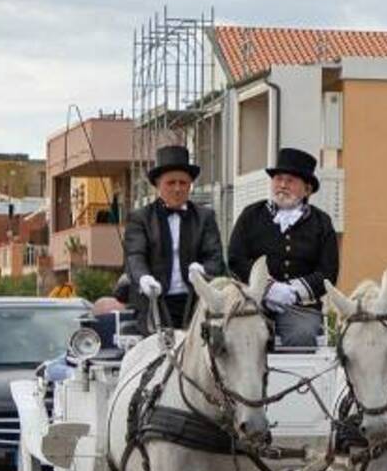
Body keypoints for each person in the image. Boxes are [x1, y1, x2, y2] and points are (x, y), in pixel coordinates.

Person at [227, 147, 339, 348]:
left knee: (302, 335)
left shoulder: (322, 223)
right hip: (253, 303)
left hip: (301, 308)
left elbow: (328, 272)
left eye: (290, 181)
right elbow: (236, 259)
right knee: (242, 336)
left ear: (307, 189)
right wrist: (269, 288)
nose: (282, 185)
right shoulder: (251, 215)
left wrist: (293, 291)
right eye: (278, 179)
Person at [123, 145, 225, 331]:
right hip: (154, 303)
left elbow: (215, 257)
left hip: (196, 302)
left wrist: (202, 270)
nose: (178, 189)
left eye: (183, 183)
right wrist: (144, 279)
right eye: (171, 183)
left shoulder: (205, 217)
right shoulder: (140, 218)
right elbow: (134, 256)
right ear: (157, 185)